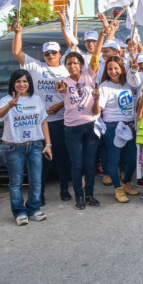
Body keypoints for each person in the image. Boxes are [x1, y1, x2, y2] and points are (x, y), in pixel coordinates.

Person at [11, 25, 70, 203]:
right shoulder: (36, 67)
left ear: (60, 53)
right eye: (47, 54)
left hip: (61, 121)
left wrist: (60, 104)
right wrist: (18, 33)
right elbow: (17, 53)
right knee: (41, 161)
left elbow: (75, 95)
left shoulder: (67, 69)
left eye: (53, 53)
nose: (51, 56)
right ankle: (40, 195)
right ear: (43, 55)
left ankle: (64, 190)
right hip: (40, 123)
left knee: (62, 159)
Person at [55, 23, 110, 210]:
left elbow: (96, 56)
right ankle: (79, 196)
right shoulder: (64, 81)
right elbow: (60, 88)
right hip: (72, 129)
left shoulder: (89, 76)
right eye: (69, 63)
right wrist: (61, 88)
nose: (72, 66)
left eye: (75, 63)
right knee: (77, 164)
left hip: (90, 126)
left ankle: (90, 196)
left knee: (89, 164)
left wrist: (102, 35)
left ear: (81, 65)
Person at [0, 70, 51, 225]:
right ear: (13, 83)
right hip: (14, 148)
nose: (22, 84)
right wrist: (9, 105)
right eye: (18, 81)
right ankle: (19, 212)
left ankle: (34, 209)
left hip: (35, 146)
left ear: (29, 83)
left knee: (36, 180)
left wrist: (48, 144)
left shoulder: (37, 99)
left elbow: (43, 122)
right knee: (16, 181)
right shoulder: (6, 100)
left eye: (25, 81)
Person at [94, 55, 139, 203]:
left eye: (116, 68)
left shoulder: (128, 84)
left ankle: (126, 183)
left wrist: (133, 70)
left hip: (129, 125)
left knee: (132, 159)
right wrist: (95, 99)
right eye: (110, 68)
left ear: (122, 69)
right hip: (112, 126)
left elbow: (137, 83)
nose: (113, 71)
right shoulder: (104, 87)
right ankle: (117, 188)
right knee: (114, 159)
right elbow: (97, 110)